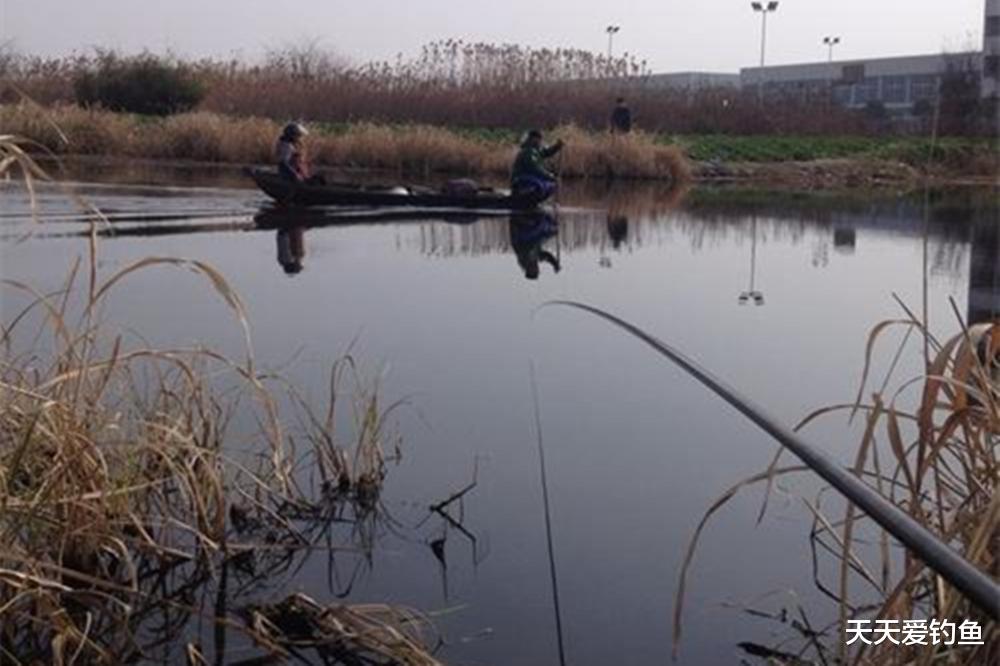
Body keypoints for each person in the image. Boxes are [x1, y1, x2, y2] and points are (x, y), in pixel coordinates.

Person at [510, 130, 564, 200]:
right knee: (540, 186)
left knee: (551, 185)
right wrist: (550, 176)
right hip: (520, 180)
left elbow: (546, 152)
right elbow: (535, 169)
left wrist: (557, 146)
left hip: (529, 178)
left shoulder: (536, 150)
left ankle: (531, 199)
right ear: (533, 139)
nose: (541, 142)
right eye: (539, 140)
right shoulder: (527, 152)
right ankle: (522, 196)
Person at [509, 211, 561, 280]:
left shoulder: (523, 257)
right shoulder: (533, 259)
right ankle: (542, 215)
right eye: (537, 270)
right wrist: (554, 263)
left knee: (541, 227)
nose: (537, 268)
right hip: (529, 229)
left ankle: (540, 215)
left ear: (530, 270)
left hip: (521, 226)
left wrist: (544, 235)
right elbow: (545, 256)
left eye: (536, 270)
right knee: (550, 230)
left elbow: (531, 243)